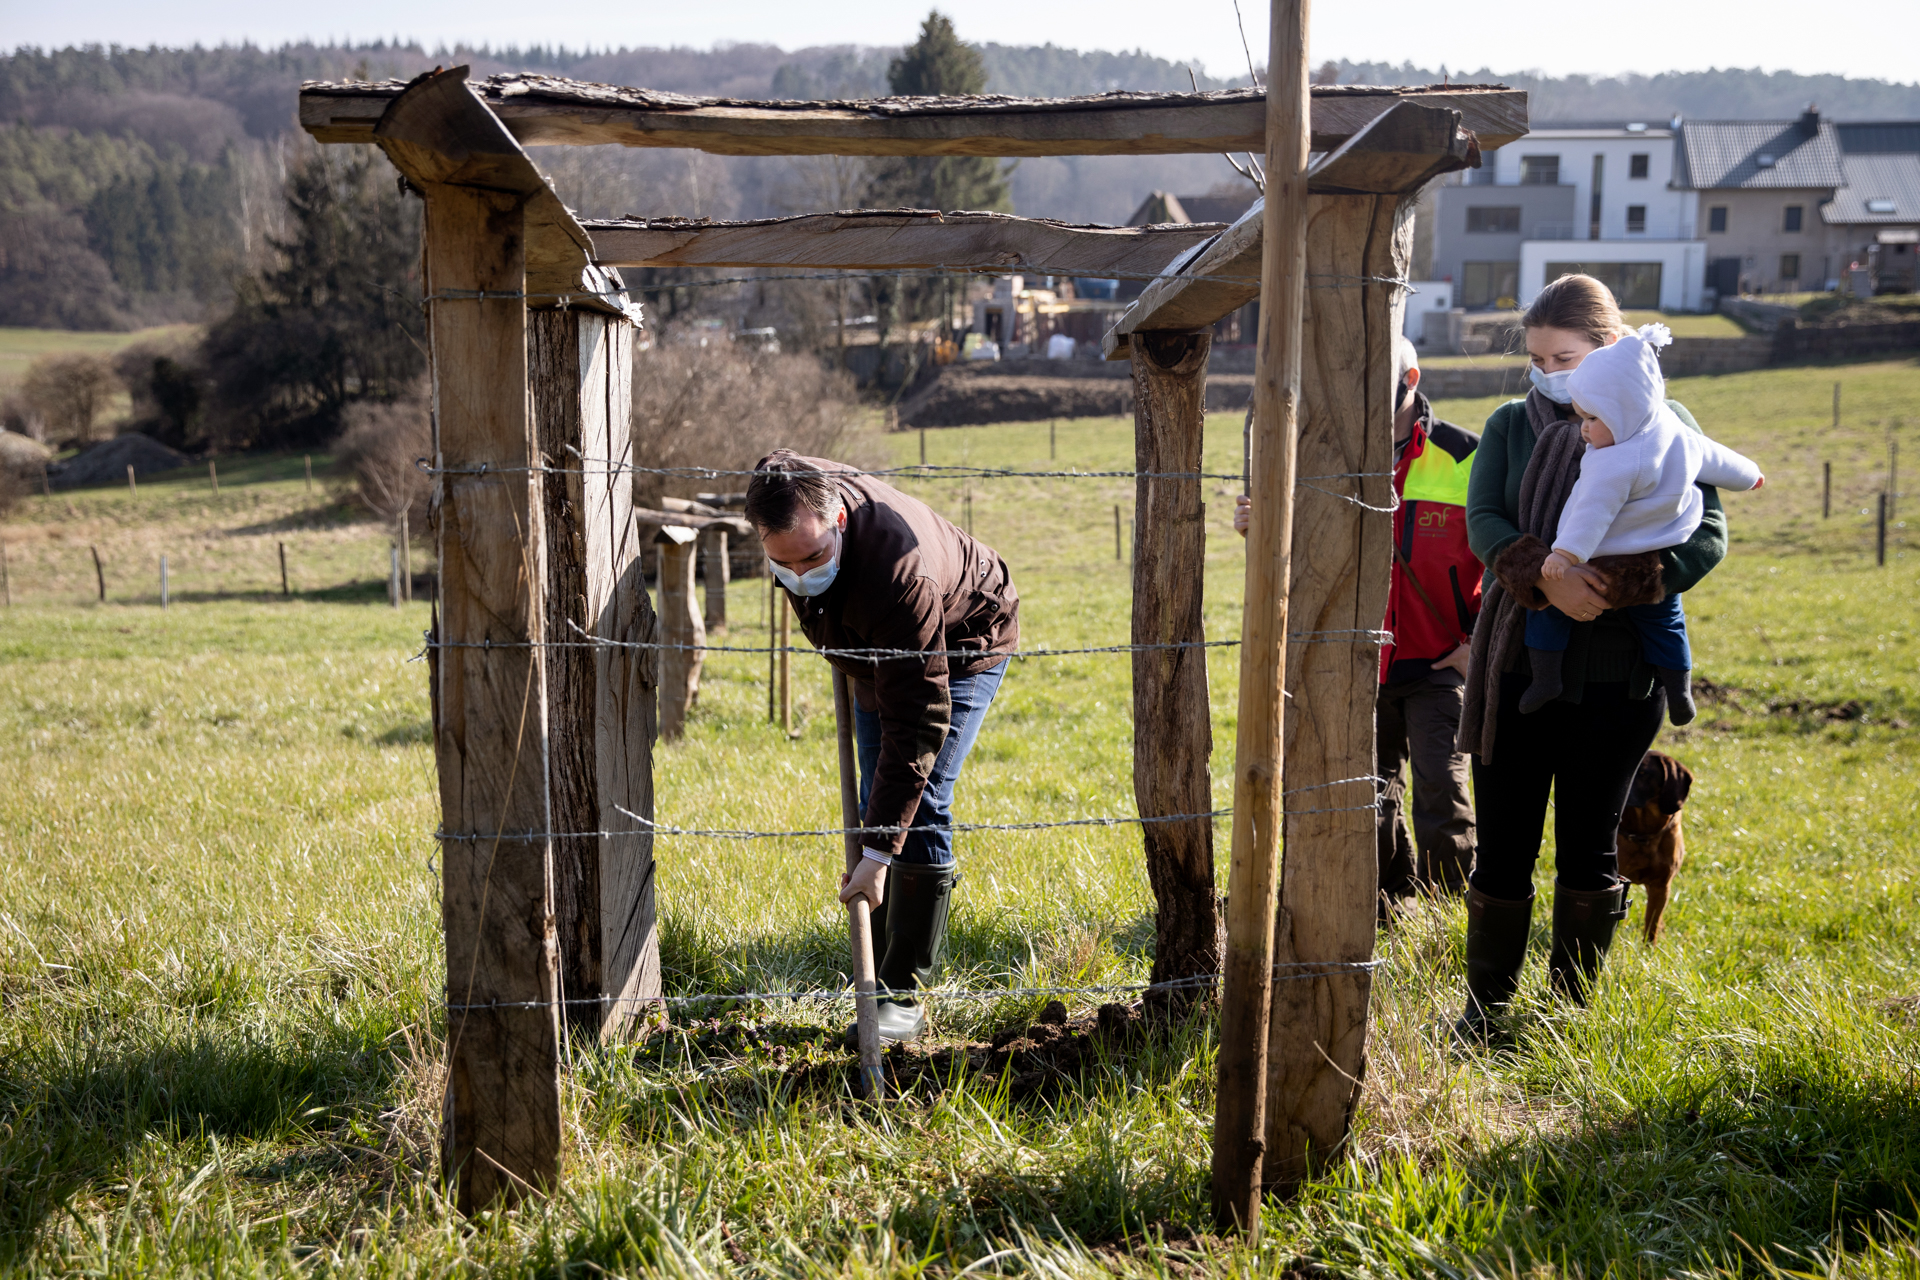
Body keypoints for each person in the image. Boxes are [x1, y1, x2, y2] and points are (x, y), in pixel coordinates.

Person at [1451, 274, 1730, 1045]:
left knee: (1590, 843)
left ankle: (1567, 1013)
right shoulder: (1511, 424)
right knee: (1504, 842)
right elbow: (1485, 518)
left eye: (1564, 357)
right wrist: (1546, 572)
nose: (1548, 371)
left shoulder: (1667, 423)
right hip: (1514, 673)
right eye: (1537, 357)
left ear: (1609, 350)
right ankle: (1487, 1010)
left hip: (1618, 680)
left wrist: (1620, 585)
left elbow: (1708, 532)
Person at [744, 450, 1019, 1045]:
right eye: (780, 562)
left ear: (839, 520)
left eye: (813, 557)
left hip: (961, 636)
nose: (798, 572)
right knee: (882, 798)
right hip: (870, 647)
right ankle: (880, 959)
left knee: (915, 807)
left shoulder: (899, 571)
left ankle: (902, 993)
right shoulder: (783, 493)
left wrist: (877, 854)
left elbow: (920, 719)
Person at [1235, 335, 1484, 911]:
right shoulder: (1321, 455)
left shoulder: (1467, 457)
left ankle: (1448, 924)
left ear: (1411, 379)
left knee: (1443, 796)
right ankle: (1389, 911)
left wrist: (1478, 644)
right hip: (1351, 663)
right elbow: (1303, 554)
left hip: (1438, 663)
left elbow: (1502, 559)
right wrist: (1261, 527)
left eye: (1379, 383)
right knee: (1369, 799)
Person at [1519, 323, 1765, 721]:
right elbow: (1718, 459)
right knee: (1665, 619)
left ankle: (1545, 678)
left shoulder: (1614, 462)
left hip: (1602, 553)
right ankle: (1680, 690)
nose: (1584, 428)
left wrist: (1563, 556)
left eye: (1593, 419)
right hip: (1655, 553)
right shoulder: (1672, 429)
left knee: (1548, 609)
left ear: (1621, 412)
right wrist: (1751, 475)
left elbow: (1590, 513)